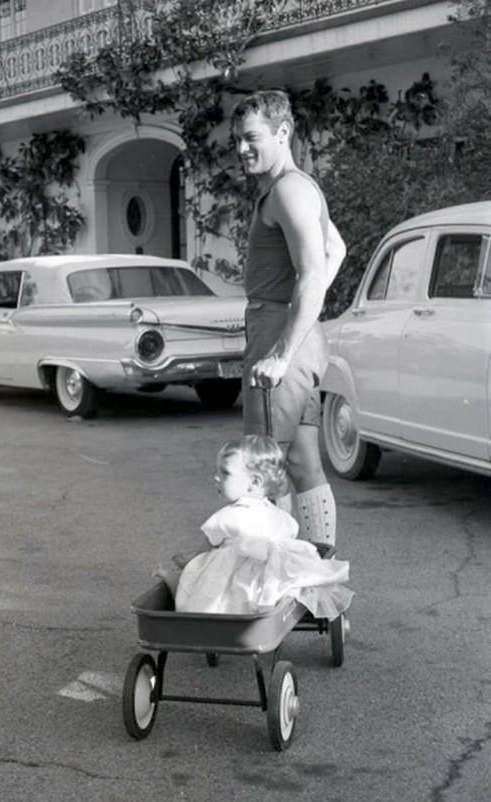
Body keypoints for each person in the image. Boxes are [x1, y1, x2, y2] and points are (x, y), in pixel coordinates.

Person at [231, 90, 347, 547]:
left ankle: (268, 584)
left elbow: (312, 271)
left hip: (283, 340)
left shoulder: (289, 190)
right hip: (294, 334)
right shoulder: (291, 189)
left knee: (261, 467)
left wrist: (281, 353)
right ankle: (320, 578)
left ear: (283, 133)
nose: (242, 148)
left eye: (251, 138)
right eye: (237, 139)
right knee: (300, 460)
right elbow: (334, 250)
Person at [173, 435, 352, 619]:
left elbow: (206, 547)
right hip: (268, 585)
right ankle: (264, 621)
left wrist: (190, 563)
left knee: (195, 576)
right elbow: (287, 540)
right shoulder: (280, 516)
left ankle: (205, 619)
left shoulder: (228, 517)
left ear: (255, 482)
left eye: (225, 472)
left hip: (233, 584)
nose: (216, 477)